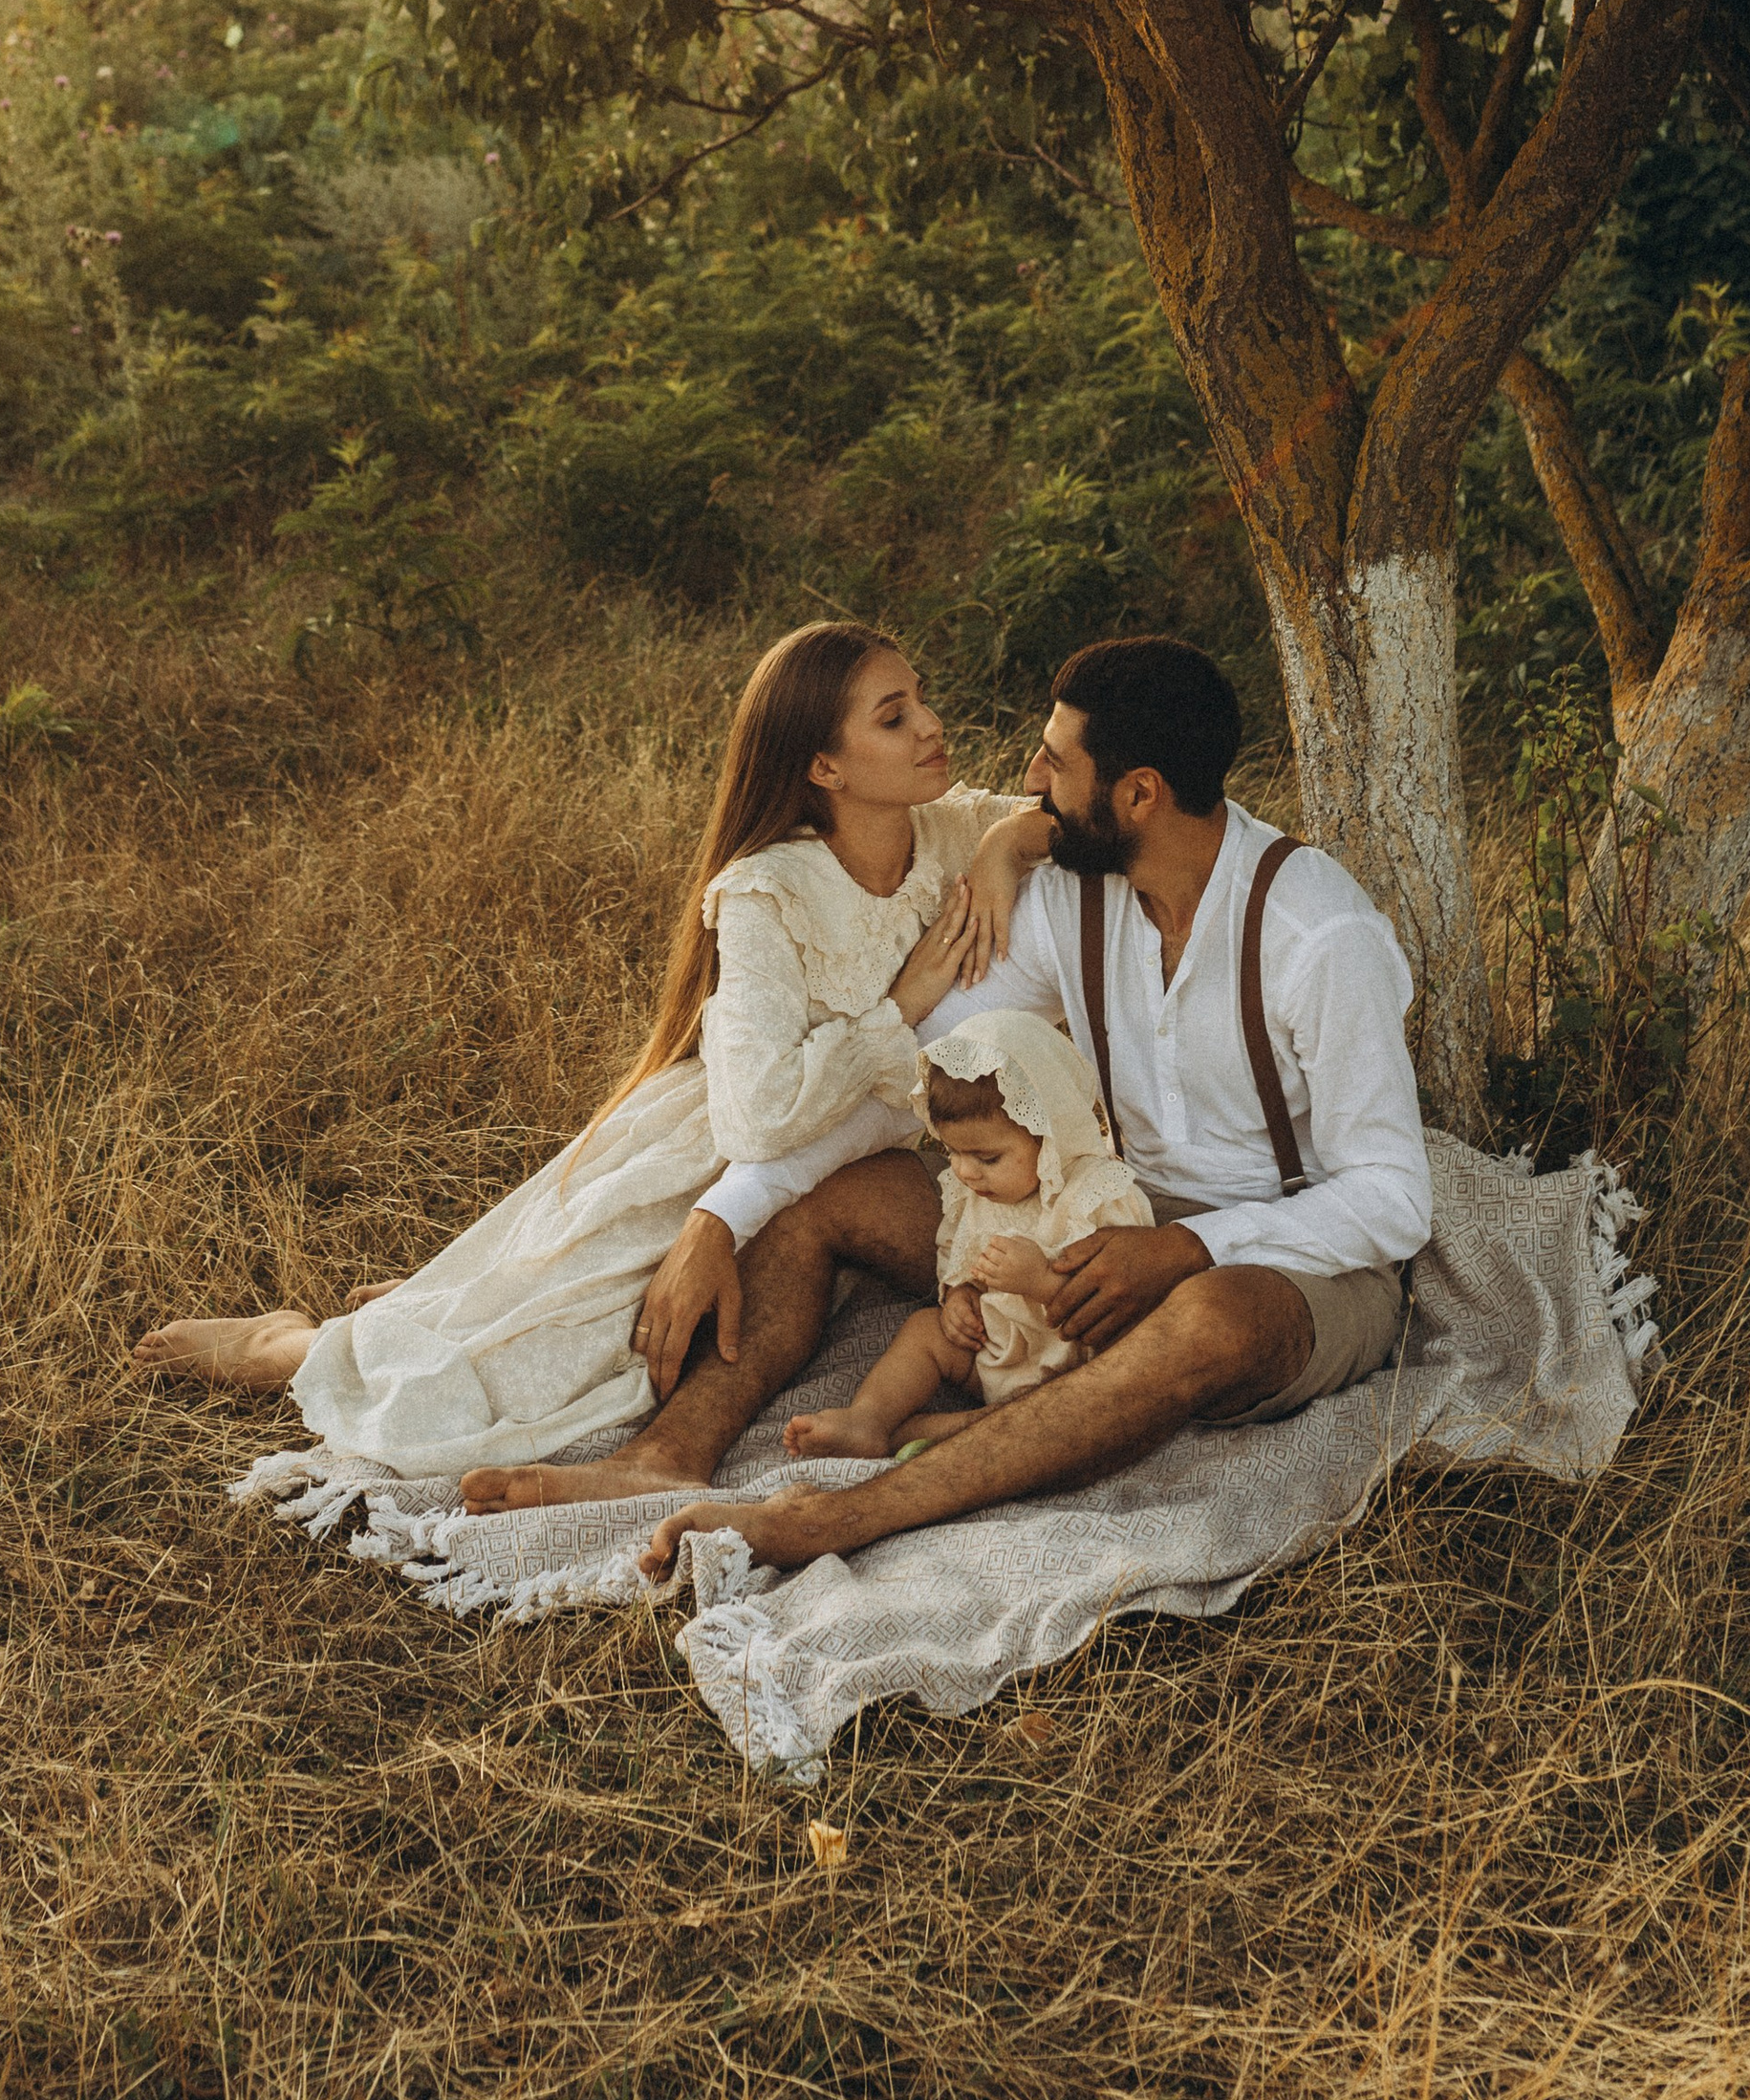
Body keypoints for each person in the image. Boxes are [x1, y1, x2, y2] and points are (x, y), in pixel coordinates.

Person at [480, 632, 1431, 1570]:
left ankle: (841, 1519)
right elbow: (924, 1080)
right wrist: (719, 1217)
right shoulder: (1072, 899)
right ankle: (665, 1455)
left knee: (1214, 1320)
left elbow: (1392, 1197)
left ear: (1137, 792)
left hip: (1285, 1261)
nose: (1028, 781)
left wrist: (1188, 1247)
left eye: (1054, 762)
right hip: (1094, 1222)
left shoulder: (1317, 932)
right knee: (837, 1195)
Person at [133, 621, 1042, 1485]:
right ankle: (292, 1345)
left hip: (838, 1166)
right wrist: (906, 1003)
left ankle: (444, 1301)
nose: (931, 725)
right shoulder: (769, 889)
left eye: (919, 698)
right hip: (704, 1159)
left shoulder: (953, 830)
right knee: (520, 1381)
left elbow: (1063, 813)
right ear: (823, 765)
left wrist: (1005, 846)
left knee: (550, 1318)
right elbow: (755, 1118)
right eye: (894, 716)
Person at [781, 1009, 1154, 1462]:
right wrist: (958, 1295)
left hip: (1070, 1367)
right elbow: (955, 1254)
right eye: (952, 1151)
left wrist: (1040, 1281)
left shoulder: (1096, 1196)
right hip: (995, 1354)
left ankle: (944, 1431)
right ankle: (870, 1418)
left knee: (1099, 1403)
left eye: (988, 1157)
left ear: (1049, 1133)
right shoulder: (974, 1191)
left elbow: (1124, 1309)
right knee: (924, 1331)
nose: (964, 1170)